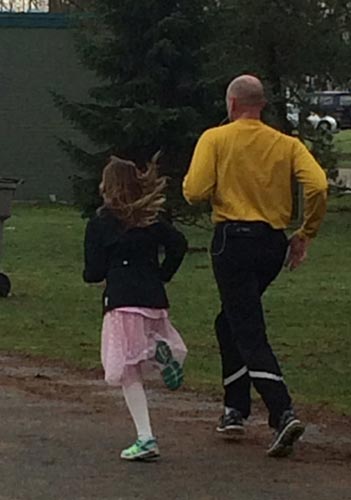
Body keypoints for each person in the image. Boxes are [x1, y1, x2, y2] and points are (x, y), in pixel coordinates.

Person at [183, 74, 328, 457]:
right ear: (261, 105)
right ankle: (235, 408)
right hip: (271, 245)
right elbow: (317, 186)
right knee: (228, 320)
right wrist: (306, 232)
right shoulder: (287, 144)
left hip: (232, 240)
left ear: (231, 104)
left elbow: (195, 191)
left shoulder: (215, 138)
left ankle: (282, 411)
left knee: (247, 327)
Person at [84, 155, 188, 462]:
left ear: (108, 185)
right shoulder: (150, 219)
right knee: (138, 355)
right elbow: (179, 244)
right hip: (153, 298)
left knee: (127, 369)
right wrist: (163, 273)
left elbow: (93, 271)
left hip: (121, 299)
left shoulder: (101, 221)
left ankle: (146, 436)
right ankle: (160, 351)